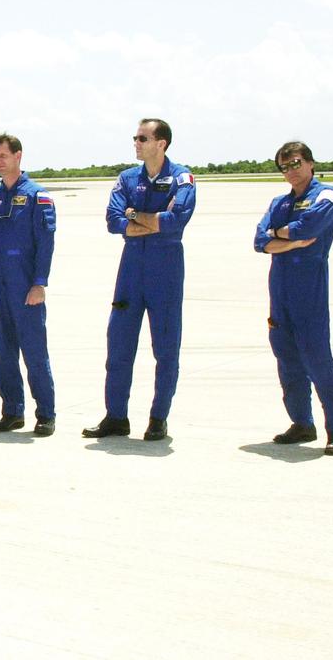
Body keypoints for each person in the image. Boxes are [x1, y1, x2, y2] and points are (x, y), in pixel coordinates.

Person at [84, 118, 195, 442]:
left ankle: (158, 418)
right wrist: (145, 221)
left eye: (142, 138)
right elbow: (113, 220)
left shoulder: (181, 177)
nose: (136, 142)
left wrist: (135, 216)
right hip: (131, 267)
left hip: (166, 267)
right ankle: (116, 416)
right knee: (118, 344)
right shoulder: (127, 178)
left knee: (165, 347)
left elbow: (176, 220)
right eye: (135, 137)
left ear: (161, 143)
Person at [254, 142, 333, 455]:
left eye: (295, 163)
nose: (291, 171)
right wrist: (292, 241)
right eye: (284, 167)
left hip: (309, 288)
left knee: (317, 357)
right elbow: (259, 240)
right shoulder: (278, 203)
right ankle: (301, 423)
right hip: (279, 288)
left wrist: (278, 236)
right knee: (286, 357)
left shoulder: (327, 194)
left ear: (310, 163)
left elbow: (309, 227)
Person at [0, 134, 58, 436]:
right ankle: (12, 410)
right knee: (5, 353)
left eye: (3, 156)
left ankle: (46, 413)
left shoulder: (37, 196)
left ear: (18, 156)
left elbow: (45, 243)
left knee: (34, 352)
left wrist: (39, 283)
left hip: (25, 285)